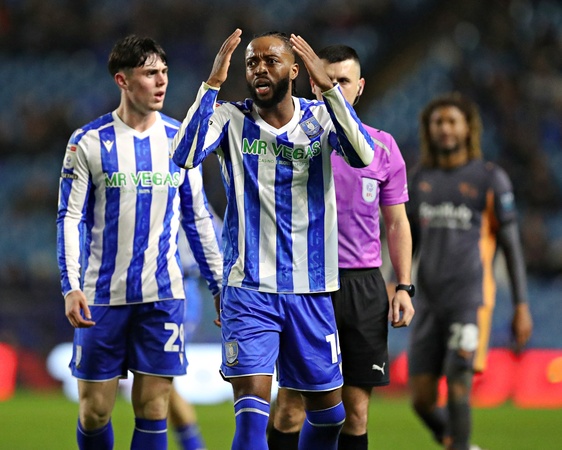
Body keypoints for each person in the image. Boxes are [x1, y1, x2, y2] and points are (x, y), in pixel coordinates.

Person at [170, 29, 385, 450]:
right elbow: (184, 155)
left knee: (330, 417)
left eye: (271, 60)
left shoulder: (320, 117)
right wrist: (212, 84)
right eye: (252, 62)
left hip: (311, 290)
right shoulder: (229, 118)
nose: (260, 69)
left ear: (295, 70)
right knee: (252, 417)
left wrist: (329, 90)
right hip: (248, 289)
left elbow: (364, 155)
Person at [56, 34, 222, 450]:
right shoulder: (88, 142)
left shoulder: (180, 139)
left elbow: (198, 216)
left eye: (164, 72)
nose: (161, 81)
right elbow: (70, 217)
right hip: (102, 296)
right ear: (123, 80)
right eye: (150, 73)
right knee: (95, 412)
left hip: (162, 295)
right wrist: (71, 285)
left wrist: (219, 285)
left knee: (153, 408)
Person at [267, 44, 415, 450]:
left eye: (342, 81)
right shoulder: (290, 142)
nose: (332, 89)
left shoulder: (382, 148)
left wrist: (404, 285)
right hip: (306, 284)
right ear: (311, 85)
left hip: (362, 286)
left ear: (359, 87)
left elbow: (396, 222)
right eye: (324, 81)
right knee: (290, 407)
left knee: (356, 412)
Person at [406, 93, 533, 450]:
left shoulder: (489, 178)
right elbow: (408, 240)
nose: (444, 128)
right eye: (438, 122)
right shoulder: (420, 179)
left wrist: (521, 306)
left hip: (470, 301)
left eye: (452, 121)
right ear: (429, 129)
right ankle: (458, 443)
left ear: (467, 129)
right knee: (421, 399)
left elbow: (511, 246)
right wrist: (395, 283)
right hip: (428, 302)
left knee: (458, 383)